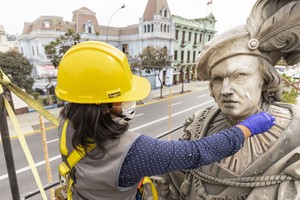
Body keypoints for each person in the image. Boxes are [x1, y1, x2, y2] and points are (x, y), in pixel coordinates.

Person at [54, 41, 275, 200]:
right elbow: (198, 152)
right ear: (102, 107)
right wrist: (247, 128)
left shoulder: (67, 123)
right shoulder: (134, 151)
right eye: (125, 99)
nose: (133, 102)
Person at [147, 0, 300, 199]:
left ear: (265, 79)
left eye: (240, 76)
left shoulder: (294, 133)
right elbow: (179, 180)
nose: (226, 90)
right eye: (218, 79)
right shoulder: (197, 125)